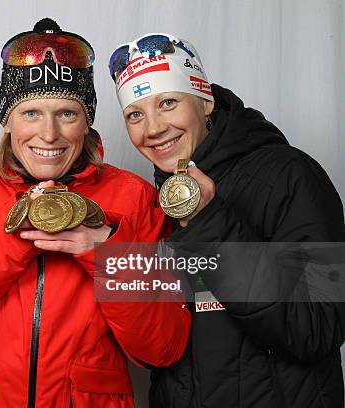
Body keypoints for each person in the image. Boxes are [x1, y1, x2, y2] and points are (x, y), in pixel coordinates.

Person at [0, 18, 191, 408]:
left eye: (67, 114)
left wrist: (107, 254)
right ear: (6, 121)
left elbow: (162, 348)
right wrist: (12, 235)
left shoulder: (133, 196)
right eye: (30, 114)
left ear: (86, 121)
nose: (48, 134)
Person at [109, 33, 345, 407]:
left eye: (168, 102)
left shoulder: (291, 174)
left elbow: (319, 328)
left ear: (206, 102)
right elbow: (156, 347)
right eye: (135, 114)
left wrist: (207, 223)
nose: (152, 128)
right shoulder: (151, 203)